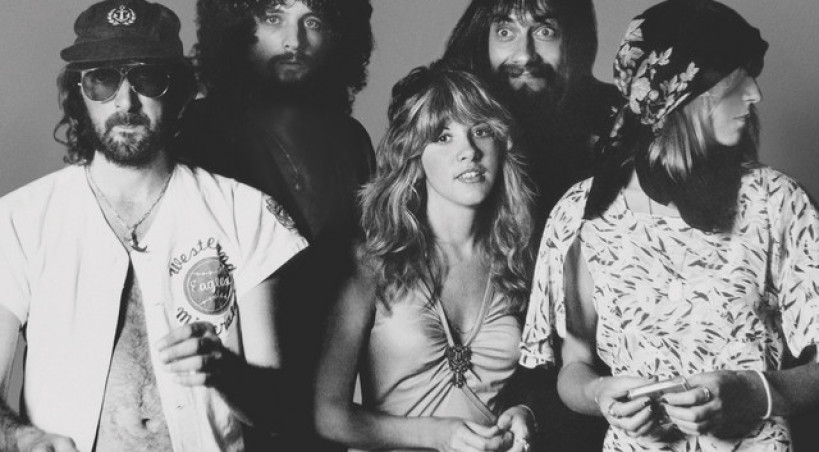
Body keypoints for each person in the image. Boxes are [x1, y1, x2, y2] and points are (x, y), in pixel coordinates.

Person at [0, 1, 307, 451]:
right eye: (103, 80)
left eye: (147, 79)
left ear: (178, 92)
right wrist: (23, 438)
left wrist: (225, 372)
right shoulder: (19, 221)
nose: (126, 102)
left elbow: (280, 412)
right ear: (78, 93)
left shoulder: (246, 214)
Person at [521, 0, 819, 450]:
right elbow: (574, 364)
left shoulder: (778, 203)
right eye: (736, 79)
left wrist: (752, 392)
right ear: (680, 95)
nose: (755, 94)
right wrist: (599, 393)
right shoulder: (584, 215)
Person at [178, 0, 375, 449]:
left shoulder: (351, 141)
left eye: (313, 21)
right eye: (274, 18)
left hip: (325, 403)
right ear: (235, 27)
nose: (294, 41)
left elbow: (369, 278)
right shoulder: (198, 130)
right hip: (229, 403)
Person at [313, 64, 537, 452]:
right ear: (414, 154)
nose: (469, 151)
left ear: (502, 144)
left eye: (481, 131)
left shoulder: (517, 257)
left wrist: (525, 412)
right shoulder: (370, 261)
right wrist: (438, 435)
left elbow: (536, 381)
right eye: (443, 136)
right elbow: (328, 415)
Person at [443, 0, 619, 221]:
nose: (525, 55)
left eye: (545, 32)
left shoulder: (619, 120)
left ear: (574, 39)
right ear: (483, 39)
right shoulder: (448, 119)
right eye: (505, 32)